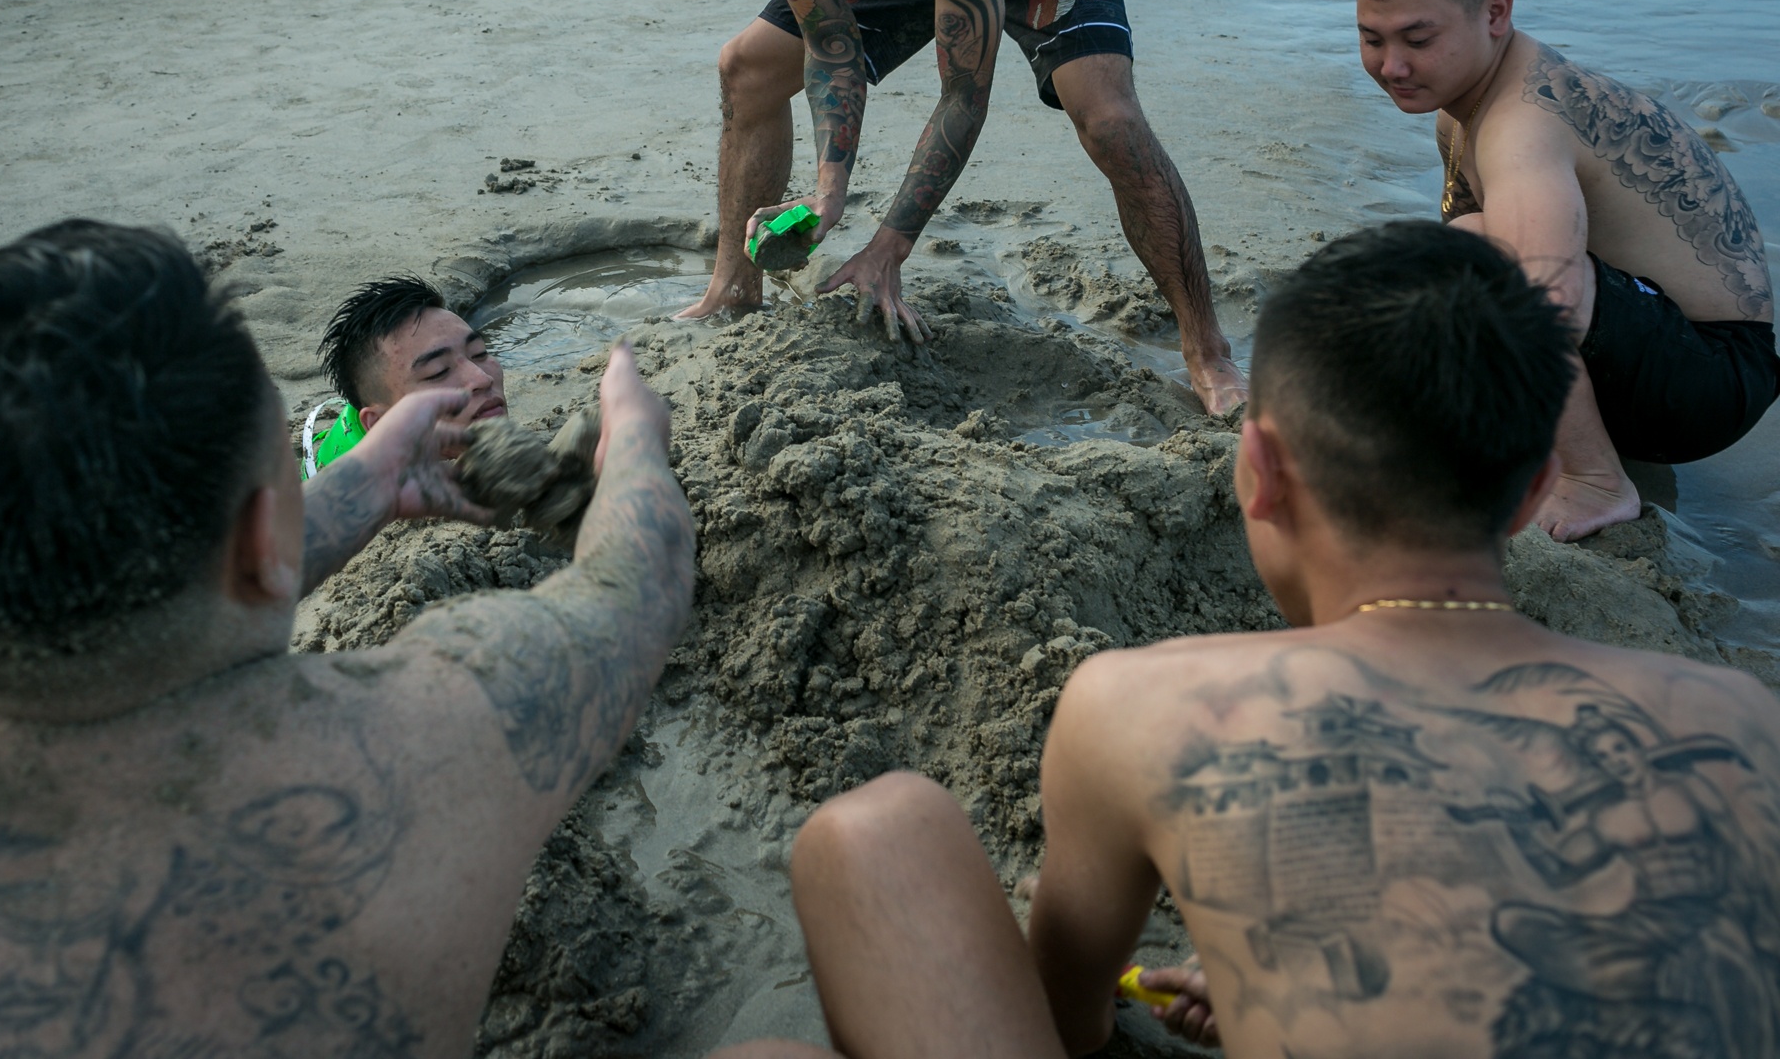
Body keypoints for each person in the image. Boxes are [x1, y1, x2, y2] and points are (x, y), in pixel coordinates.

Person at [722, 222, 1780, 1059]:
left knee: (865, 852)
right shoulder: (1744, 724)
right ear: (1533, 493)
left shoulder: (1140, 705)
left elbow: (1069, 1020)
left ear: (1256, 470)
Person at [0, 220, 696, 1057]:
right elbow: (635, 581)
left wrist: (360, 482)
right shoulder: (430, 729)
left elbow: (179, 587)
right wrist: (632, 439)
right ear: (265, 543)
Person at [676, 0, 1247, 415]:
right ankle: (733, 289)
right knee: (746, 67)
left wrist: (889, 247)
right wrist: (827, 193)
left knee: (1108, 119)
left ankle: (1209, 352)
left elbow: (963, 97)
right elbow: (833, 50)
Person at [1355, 0, 1777, 542]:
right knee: (1449, 255)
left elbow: (1539, 296)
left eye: (1417, 38)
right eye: (1371, 38)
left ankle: (1598, 481)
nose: (1392, 66)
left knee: (1482, 252)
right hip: (1650, 336)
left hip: (1711, 378)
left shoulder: (1522, 124)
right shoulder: (1463, 101)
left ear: (1496, 12)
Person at [306, 274, 508, 475]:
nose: (482, 378)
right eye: (438, 371)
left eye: (479, 353)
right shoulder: (375, 498)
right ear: (382, 424)